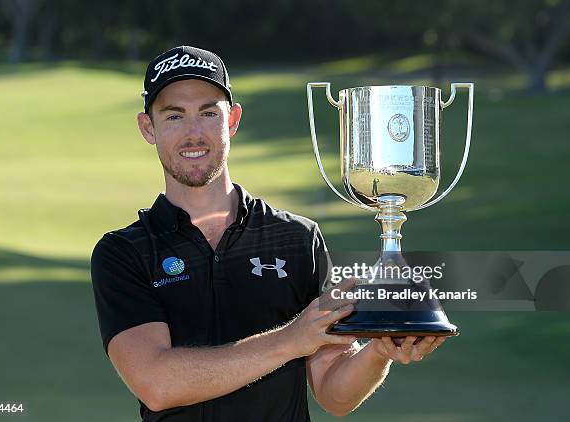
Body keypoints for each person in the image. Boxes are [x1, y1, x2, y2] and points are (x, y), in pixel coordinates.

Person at [90, 45, 446, 422]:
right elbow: (157, 384)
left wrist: (379, 350)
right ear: (149, 127)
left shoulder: (296, 238)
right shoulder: (124, 252)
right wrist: (291, 340)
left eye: (209, 113)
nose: (194, 133)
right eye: (174, 116)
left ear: (232, 121)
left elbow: (334, 394)